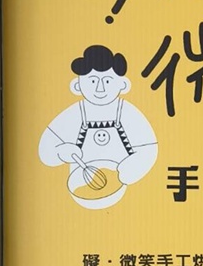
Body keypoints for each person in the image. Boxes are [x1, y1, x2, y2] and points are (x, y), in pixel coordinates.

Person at [38, 45, 158, 203]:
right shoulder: (74, 113)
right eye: (93, 81)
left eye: (107, 81)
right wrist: (60, 152)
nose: (100, 88)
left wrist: (134, 168)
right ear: (77, 85)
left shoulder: (128, 112)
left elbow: (149, 147)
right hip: (80, 187)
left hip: (124, 189)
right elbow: (46, 151)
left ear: (123, 84)